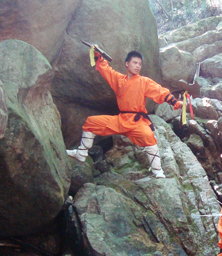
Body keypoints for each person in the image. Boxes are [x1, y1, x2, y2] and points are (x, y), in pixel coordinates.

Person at [66, 49, 181, 178]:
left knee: (149, 136)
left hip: (137, 121)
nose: (137, 66)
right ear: (127, 64)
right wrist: (98, 56)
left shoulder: (144, 81)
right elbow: (106, 70)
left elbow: (160, 91)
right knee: (91, 122)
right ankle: (81, 153)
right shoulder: (118, 79)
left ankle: (157, 171)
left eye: (140, 64)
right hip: (121, 119)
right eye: (135, 63)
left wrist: (175, 102)